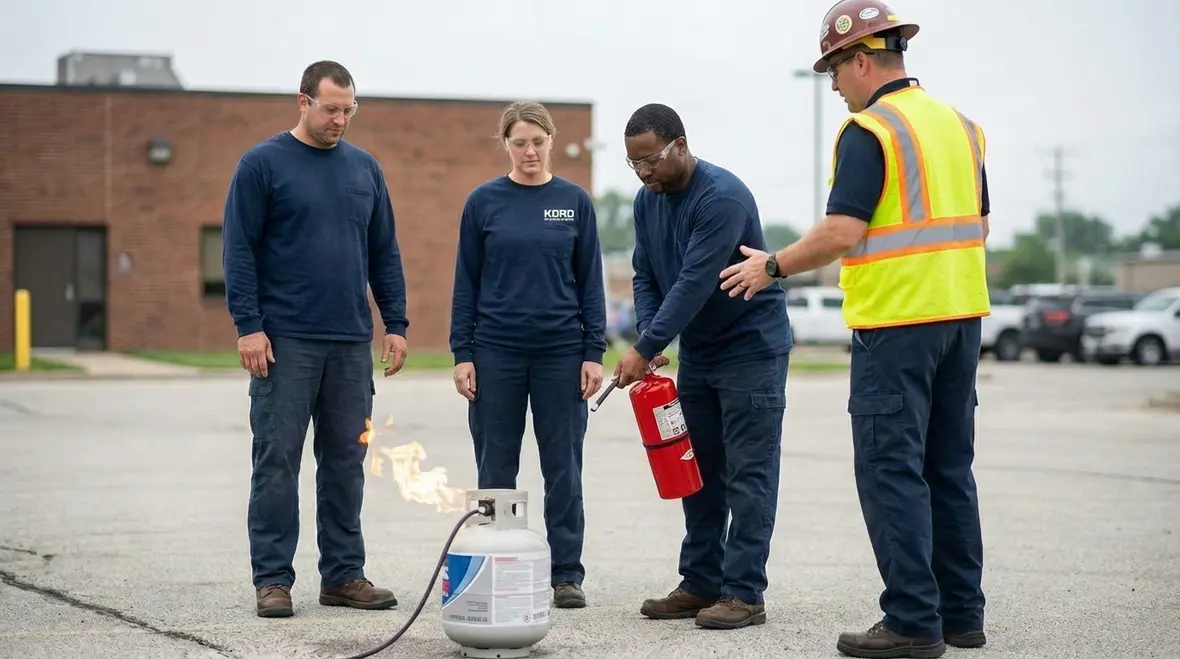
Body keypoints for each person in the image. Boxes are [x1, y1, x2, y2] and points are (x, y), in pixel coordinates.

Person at [719, 1, 990, 656]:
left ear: (862, 60)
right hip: (961, 318)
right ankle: (961, 615)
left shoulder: (870, 131)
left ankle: (912, 622)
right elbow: (980, 223)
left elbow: (844, 230)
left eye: (834, 72)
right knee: (949, 467)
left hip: (898, 324)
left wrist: (774, 266)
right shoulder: (963, 126)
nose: (834, 87)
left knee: (890, 469)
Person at [222, 60, 409, 619]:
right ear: (302, 102)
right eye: (331, 108)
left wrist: (394, 323)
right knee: (277, 460)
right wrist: (248, 325)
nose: (341, 119)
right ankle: (273, 581)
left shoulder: (364, 169)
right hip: (285, 342)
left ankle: (343, 575)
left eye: (349, 109)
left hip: (350, 342)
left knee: (347, 462)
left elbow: (385, 252)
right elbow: (237, 250)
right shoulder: (262, 165)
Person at [614, 103, 792, 630]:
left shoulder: (722, 197)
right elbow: (646, 275)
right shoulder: (648, 202)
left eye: (651, 161)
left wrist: (643, 348)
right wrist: (654, 335)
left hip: (751, 351)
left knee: (748, 474)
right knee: (697, 470)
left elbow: (695, 280)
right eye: (635, 165)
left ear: (681, 146)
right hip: (701, 353)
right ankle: (700, 582)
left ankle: (744, 593)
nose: (644, 174)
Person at [448, 100, 608, 610]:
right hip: (496, 352)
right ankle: (498, 560)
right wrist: (463, 352)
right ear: (507, 145)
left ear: (551, 141)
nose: (530, 151)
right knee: (496, 465)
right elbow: (465, 284)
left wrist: (592, 351)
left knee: (564, 467)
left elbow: (591, 284)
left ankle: (566, 574)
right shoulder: (483, 202)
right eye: (520, 143)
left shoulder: (574, 202)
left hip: (562, 353)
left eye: (538, 142)